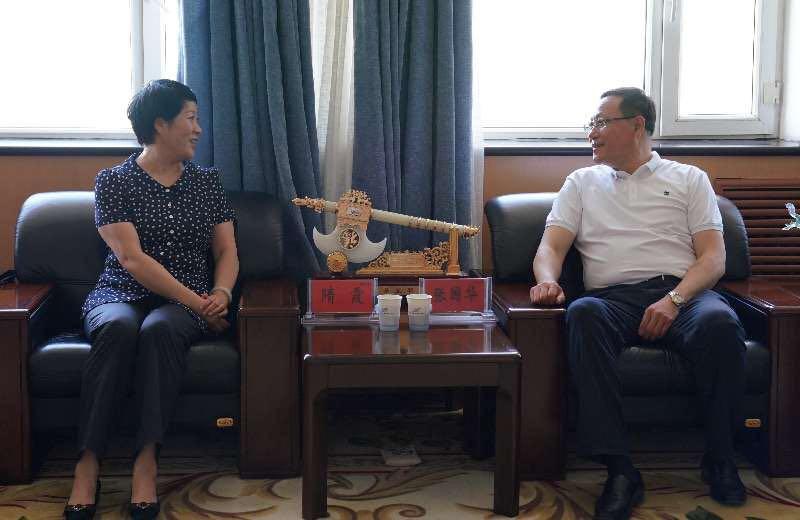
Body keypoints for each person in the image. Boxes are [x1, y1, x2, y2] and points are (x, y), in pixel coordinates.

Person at [530, 87, 747, 520]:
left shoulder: (689, 178)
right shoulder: (581, 182)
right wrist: (547, 282)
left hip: (684, 294)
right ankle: (620, 470)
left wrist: (674, 300)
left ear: (637, 125)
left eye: (601, 123)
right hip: (611, 299)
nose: (592, 133)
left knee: (721, 324)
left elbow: (713, 258)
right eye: (591, 124)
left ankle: (721, 458)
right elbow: (550, 248)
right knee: (583, 313)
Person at [64, 79, 239, 520]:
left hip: (185, 301)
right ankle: (87, 463)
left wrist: (220, 293)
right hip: (122, 292)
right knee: (117, 327)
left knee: (160, 329)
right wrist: (200, 304)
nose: (198, 129)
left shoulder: (207, 182)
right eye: (190, 118)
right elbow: (132, 259)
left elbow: (226, 250)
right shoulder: (113, 181)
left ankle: (146, 461)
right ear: (160, 124)